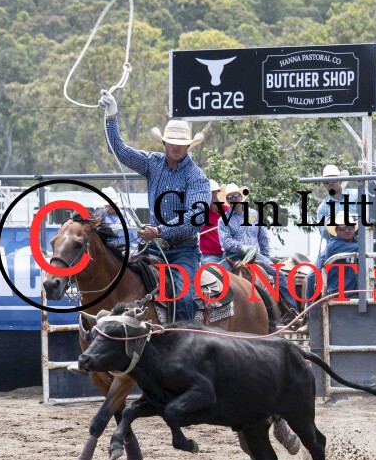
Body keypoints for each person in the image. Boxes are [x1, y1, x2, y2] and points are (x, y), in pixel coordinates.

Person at [98, 91, 209, 322]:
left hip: (183, 250)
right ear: (164, 143)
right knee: (120, 280)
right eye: (172, 143)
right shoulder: (152, 163)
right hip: (153, 247)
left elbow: (195, 217)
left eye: (181, 144)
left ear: (188, 146)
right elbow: (119, 150)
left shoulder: (196, 177)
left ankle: (184, 336)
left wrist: (159, 230)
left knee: (184, 298)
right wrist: (112, 116)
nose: (176, 147)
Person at [218, 183, 298, 321]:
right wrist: (241, 247)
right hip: (233, 256)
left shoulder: (254, 215)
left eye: (235, 195)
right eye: (229, 197)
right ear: (227, 200)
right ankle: (218, 313)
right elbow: (225, 241)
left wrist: (265, 255)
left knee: (278, 273)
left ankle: (291, 309)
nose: (233, 199)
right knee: (219, 280)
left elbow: (263, 237)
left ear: (241, 197)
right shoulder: (223, 219)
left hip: (254, 255)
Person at [305, 211, 359, 304]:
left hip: (357, 293)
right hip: (338, 296)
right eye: (342, 228)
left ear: (354, 228)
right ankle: (307, 306)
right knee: (311, 276)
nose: (347, 231)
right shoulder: (334, 246)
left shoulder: (356, 242)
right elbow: (363, 248)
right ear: (336, 230)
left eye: (350, 227)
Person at [199, 180, 226, 266]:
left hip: (228, 254)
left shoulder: (227, 210)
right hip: (209, 256)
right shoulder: (201, 212)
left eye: (216, 192)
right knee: (214, 273)